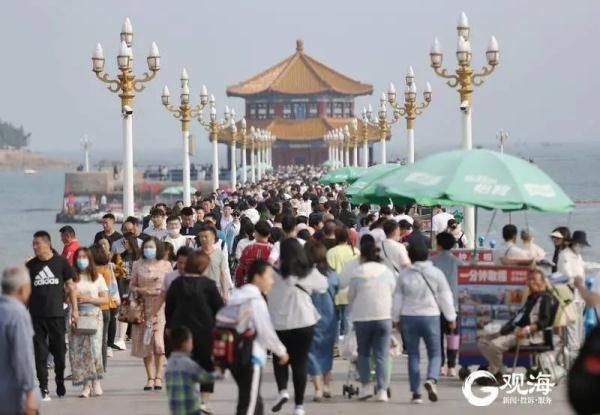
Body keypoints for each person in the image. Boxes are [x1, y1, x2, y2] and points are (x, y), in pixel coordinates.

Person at [268, 239, 328, 415]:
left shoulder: (271, 273)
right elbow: (323, 286)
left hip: (279, 323)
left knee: (279, 359)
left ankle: (282, 391)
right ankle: (299, 406)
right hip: (304, 322)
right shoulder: (308, 272)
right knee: (299, 363)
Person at [393, 242, 457, 404]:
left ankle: (416, 393)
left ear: (410, 256)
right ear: (427, 255)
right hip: (431, 316)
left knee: (413, 355)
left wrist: (395, 319)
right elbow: (445, 296)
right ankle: (432, 378)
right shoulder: (436, 273)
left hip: (409, 317)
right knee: (435, 352)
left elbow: (397, 299)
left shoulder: (404, 274)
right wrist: (451, 317)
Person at [228, 260, 290, 415]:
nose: (272, 280)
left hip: (234, 355)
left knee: (254, 401)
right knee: (249, 404)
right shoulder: (255, 300)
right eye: (269, 276)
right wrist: (281, 351)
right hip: (251, 356)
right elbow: (265, 330)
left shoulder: (236, 295)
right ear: (257, 277)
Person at [165, 251, 224, 413]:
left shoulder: (177, 283)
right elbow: (219, 308)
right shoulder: (208, 284)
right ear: (204, 267)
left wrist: (169, 326)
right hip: (204, 330)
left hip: (181, 331)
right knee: (206, 363)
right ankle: (204, 400)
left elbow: (169, 306)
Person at [26, 230, 79, 401]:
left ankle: (59, 380)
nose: (34, 247)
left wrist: (75, 310)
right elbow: (24, 292)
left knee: (59, 354)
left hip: (56, 315)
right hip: (36, 316)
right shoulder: (30, 266)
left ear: (47, 244)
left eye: (37, 244)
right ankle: (43, 388)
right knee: (40, 354)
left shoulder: (61, 262)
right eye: (33, 244)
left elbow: (71, 287)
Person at [477, 269, 553, 384]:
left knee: (494, 345)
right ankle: (500, 369)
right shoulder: (531, 298)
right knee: (482, 341)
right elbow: (519, 317)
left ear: (543, 282)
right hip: (514, 330)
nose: (531, 282)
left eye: (534, 280)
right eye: (529, 280)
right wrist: (502, 328)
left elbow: (545, 321)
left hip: (528, 335)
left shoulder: (545, 299)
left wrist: (527, 329)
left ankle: (496, 373)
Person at [346, 235, 396, 402]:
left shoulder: (357, 272)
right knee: (381, 354)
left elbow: (350, 296)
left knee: (364, 353)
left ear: (363, 256)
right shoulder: (387, 272)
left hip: (363, 318)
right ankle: (382, 390)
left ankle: (366, 387)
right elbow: (393, 293)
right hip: (383, 317)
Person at [130, 237, 173, 391]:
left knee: (159, 342)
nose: (148, 250)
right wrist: (143, 290)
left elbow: (170, 286)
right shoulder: (137, 265)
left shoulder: (166, 265)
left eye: (151, 247)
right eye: (146, 247)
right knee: (146, 343)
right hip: (142, 307)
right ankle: (149, 377)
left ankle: (159, 377)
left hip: (161, 307)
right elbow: (132, 286)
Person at [69, 247, 108, 397]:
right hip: (77, 314)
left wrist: (89, 298)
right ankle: (86, 384)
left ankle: (96, 381)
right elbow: (66, 296)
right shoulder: (72, 277)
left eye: (84, 257)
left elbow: (105, 298)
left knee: (94, 349)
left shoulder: (97, 277)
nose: (81, 260)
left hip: (94, 314)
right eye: (79, 257)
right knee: (80, 350)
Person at [0, 266, 38, 415]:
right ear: (23, 289)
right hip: (12, 396)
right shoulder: (18, 314)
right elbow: (22, 357)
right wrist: (29, 392)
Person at [304, 241, 339, 401]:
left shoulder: (305, 275)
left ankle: (317, 388)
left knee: (311, 352)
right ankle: (326, 386)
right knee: (327, 351)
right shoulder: (332, 275)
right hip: (330, 317)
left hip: (310, 316)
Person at [431, 232, 465, 377]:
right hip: (454, 305)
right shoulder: (459, 262)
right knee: (453, 337)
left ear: (438, 244)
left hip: (435, 305)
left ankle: (440, 366)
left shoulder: (432, 261)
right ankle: (452, 366)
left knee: (437, 337)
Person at [165, 326, 214, 415]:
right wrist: (219, 372)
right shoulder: (188, 364)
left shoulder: (169, 364)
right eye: (191, 341)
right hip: (191, 408)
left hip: (175, 409)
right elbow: (206, 378)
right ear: (185, 343)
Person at [558, 230, 589, 363]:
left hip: (580, 298)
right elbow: (567, 275)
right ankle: (570, 361)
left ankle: (575, 358)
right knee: (571, 330)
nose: (581, 247)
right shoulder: (565, 255)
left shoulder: (578, 256)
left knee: (579, 329)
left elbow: (584, 267)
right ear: (574, 243)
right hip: (569, 297)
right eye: (580, 245)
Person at [111, 232, 141, 351]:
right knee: (123, 312)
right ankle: (121, 339)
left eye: (126, 242)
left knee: (137, 315)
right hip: (123, 286)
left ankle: (135, 339)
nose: (124, 244)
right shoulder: (121, 255)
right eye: (122, 242)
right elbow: (116, 269)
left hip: (136, 288)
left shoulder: (139, 255)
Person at [198, 224, 233, 301]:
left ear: (213, 237)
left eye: (206, 236)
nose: (203, 239)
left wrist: (225, 293)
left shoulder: (219, 254)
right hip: (199, 291)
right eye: (201, 236)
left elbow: (223, 274)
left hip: (216, 290)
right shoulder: (195, 254)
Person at [235, 220, 272, 287]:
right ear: (269, 234)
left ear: (256, 233)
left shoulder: (248, 249)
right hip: (267, 288)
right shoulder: (272, 250)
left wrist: (239, 286)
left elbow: (240, 271)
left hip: (249, 286)